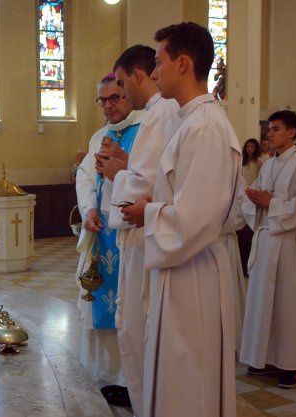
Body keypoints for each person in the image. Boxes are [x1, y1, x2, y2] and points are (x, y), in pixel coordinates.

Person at [121, 22, 241, 417]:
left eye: (159, 62)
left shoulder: (205, 128)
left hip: (194, 274)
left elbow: (195, 220)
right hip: (182, 268)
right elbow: (189, 200)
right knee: (177, 375)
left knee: (190, 379)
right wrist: (159, 204)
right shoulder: (191, 122)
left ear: (183, 64)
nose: (154, 74)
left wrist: (147, 212)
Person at [96, 44, 179, 417]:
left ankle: (146, 402)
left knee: (136, 326)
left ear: (138, 75)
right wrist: (127, 165)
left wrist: (118, 174)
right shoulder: (158, 115)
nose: (122, 94)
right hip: (142, 234)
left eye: (123, 84)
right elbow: (155, 174)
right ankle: (141, 397)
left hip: (146, 236)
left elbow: (149, 189)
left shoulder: (160, 116)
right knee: (132, 325)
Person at [240, 110, 296, 389]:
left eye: (275, 129)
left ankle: (293, 365)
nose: (269, 134)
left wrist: (271, 203)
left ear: (292, 133)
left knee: (287, 304)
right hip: (265, 240)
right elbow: (255, 198)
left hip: (286, 242)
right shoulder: (267, 164)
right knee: (262, 301)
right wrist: (253, 200)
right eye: (268, 130)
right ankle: (263, 358)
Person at [75, 73, 140, 406]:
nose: (109, 106)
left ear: (128, 95)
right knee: (102, 308)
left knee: (129, 310)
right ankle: (109, 375)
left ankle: (132, 381)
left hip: (131, 235)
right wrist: (88, 209)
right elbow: (86, 177)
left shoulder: (145, 131)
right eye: (102, 100)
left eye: (115, 97)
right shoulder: (99, 136)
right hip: (101, 236)